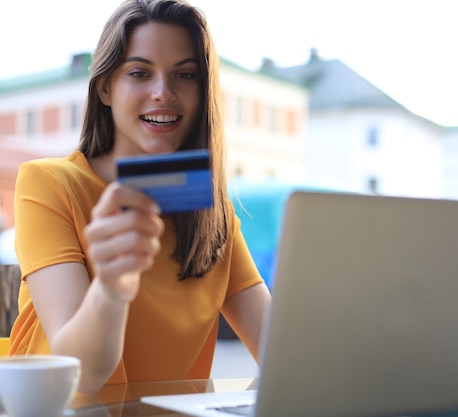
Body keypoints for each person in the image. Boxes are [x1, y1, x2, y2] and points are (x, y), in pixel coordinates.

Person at [8, 0, 271, 394]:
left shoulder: (215, 216)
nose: (163, 92)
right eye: (139, 73)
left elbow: (280, 351)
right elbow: (81, 377)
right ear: (105, 87)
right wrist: (111, 289)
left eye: (185, 74)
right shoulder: (49, 184)